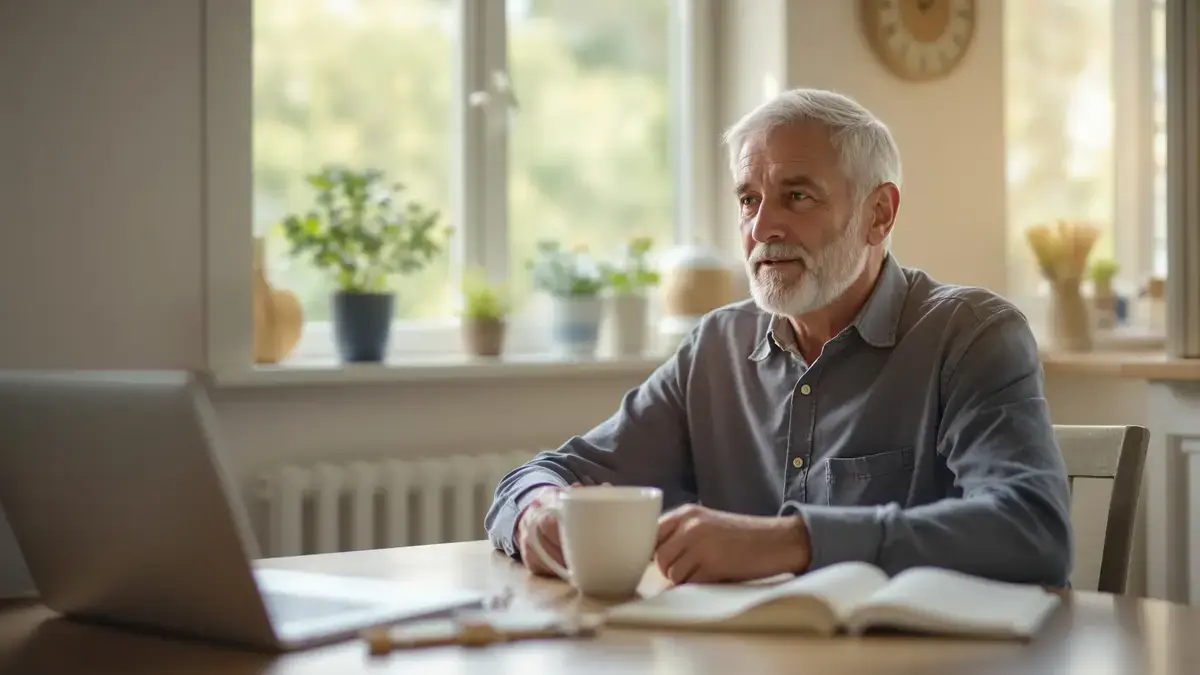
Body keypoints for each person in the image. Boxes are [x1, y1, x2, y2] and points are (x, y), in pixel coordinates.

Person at [484, 88, 1073, 588]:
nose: (763, 227)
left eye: (797, 195)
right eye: (749, 200)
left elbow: (1032, 531)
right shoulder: (716, 346)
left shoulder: (971, 335)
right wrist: (536, 512)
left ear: (879, 215)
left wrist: (792, 542)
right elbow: (551, 472)